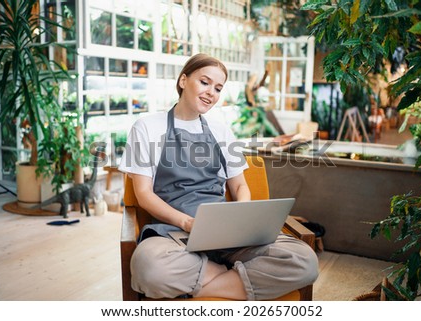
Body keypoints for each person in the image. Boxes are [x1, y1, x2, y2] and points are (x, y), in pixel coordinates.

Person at [118, 53, 318, 300]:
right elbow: (144, 194)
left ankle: (201, 284)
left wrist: (241, 221)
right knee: (149, 268)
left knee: (303, 260)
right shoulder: (147, 126)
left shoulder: (220, 129)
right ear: (183, 80)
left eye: (218, 88)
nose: (211, 92)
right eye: (204, 82)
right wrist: (186, 223)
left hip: (225, 233)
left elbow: (240, 186)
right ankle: (236, 277)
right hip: (173, 233)